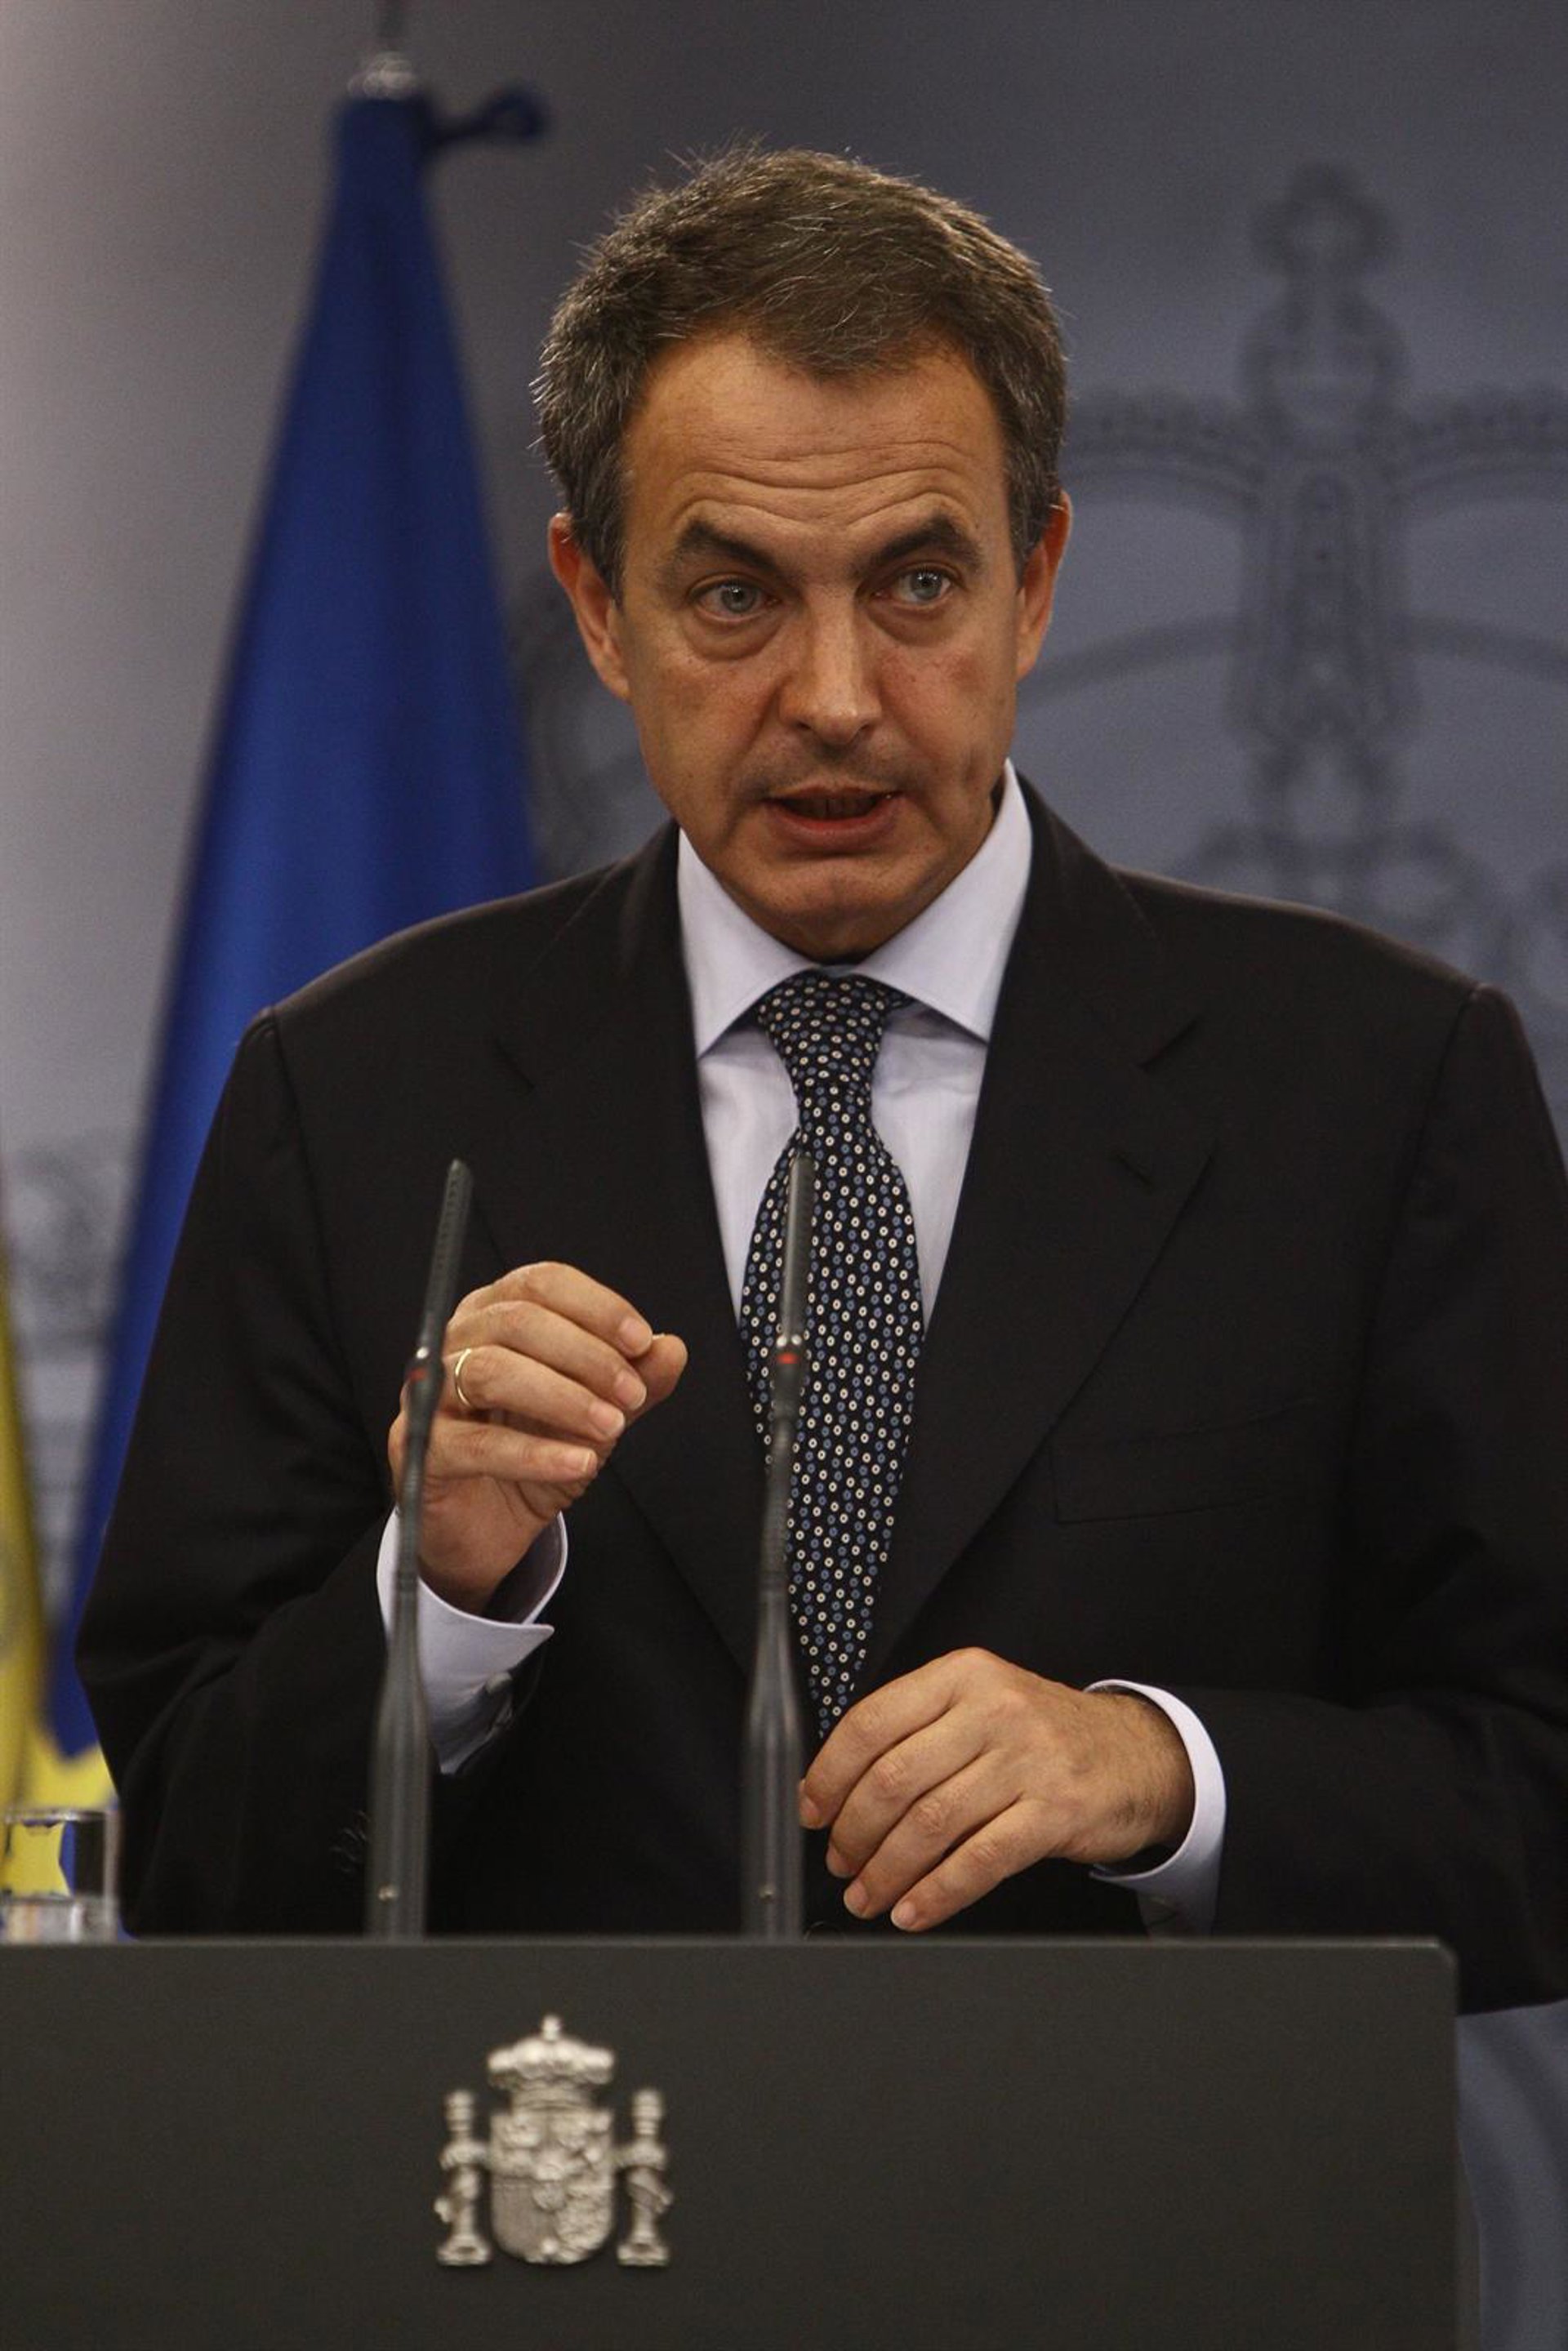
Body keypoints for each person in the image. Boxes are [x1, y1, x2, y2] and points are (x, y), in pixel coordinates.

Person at [80, 148, 1568, 2010]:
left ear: (1035, 580)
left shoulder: (1378, 1085)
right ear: (597, 605)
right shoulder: (358, 1093)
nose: (839, 697)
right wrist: (439, 1595)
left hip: (1134, 2193)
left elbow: (1539, 1788)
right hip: (571, 2187)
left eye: (919, 582)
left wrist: (1163, 1773)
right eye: (735, 598)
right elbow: (191, 1857)